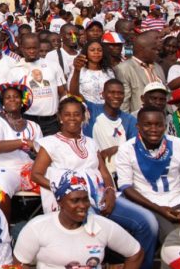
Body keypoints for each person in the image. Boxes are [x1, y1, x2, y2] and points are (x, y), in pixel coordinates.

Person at [31, 96, 159, 269]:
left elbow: (104, 172)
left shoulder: (91, 142)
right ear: (59, 117)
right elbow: (36, 175)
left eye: (77, 114)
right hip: (74, 201)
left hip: (100, 195)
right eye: (67, 114)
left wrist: (110, 192)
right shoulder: (50, 143)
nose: (72, 118)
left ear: (83, 117)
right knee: (94, 228)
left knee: (148, 222)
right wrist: (65, 191)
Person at [14, 170, 144, 268]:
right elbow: (19, 264)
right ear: (60, 202)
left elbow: (135, 253)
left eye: (85, 199)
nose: (82, 206)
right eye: (75, 201)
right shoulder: (37, 227)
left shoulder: (102, 226)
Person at [116, 106, 180, 242]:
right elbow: (126, 188)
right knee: (176, 237)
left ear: (165, 126)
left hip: (178, 200)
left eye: (158, 125)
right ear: (138, 126)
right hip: (149, 204)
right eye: (147, 125)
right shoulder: (126, 149)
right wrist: (160, 209)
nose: (154, 129)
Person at [0, 82, 41, 217]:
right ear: (2, 103)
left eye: (16, 97)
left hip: (30, 172)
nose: (12, 99)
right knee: (0, 187)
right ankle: (3, 233)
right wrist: (23, 142)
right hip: (5, 170)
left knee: (55, 183)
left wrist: (35, 148)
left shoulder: (34, 126)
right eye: (8, 97)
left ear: (22, 101)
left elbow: (41, 152)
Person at [8, 32, 65, 136]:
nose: (32, 51)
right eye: (28, 48)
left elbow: (63, 93)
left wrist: (63, 114)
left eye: (35, 48)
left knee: (51, 151)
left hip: (51, 121)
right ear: (21, 48)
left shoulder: (53, 66)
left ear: (39, 47)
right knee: (30, 151)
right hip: (27, 120)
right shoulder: (15, 70)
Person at [115, 30, 166, 113]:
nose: (157, 52)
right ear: (141, 49)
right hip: (138, 120)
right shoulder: (123, 69)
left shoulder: (158, 67)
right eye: (154, 49)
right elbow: (124, 101)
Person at [69, 40, 116, 105]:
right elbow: (72, 92)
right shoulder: (79, 70)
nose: (96, 52)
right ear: (86, 52)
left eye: (99, 50)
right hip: (86, 109)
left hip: (106, 109)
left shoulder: (108, 71)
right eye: (92, 50)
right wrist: (77, 71)